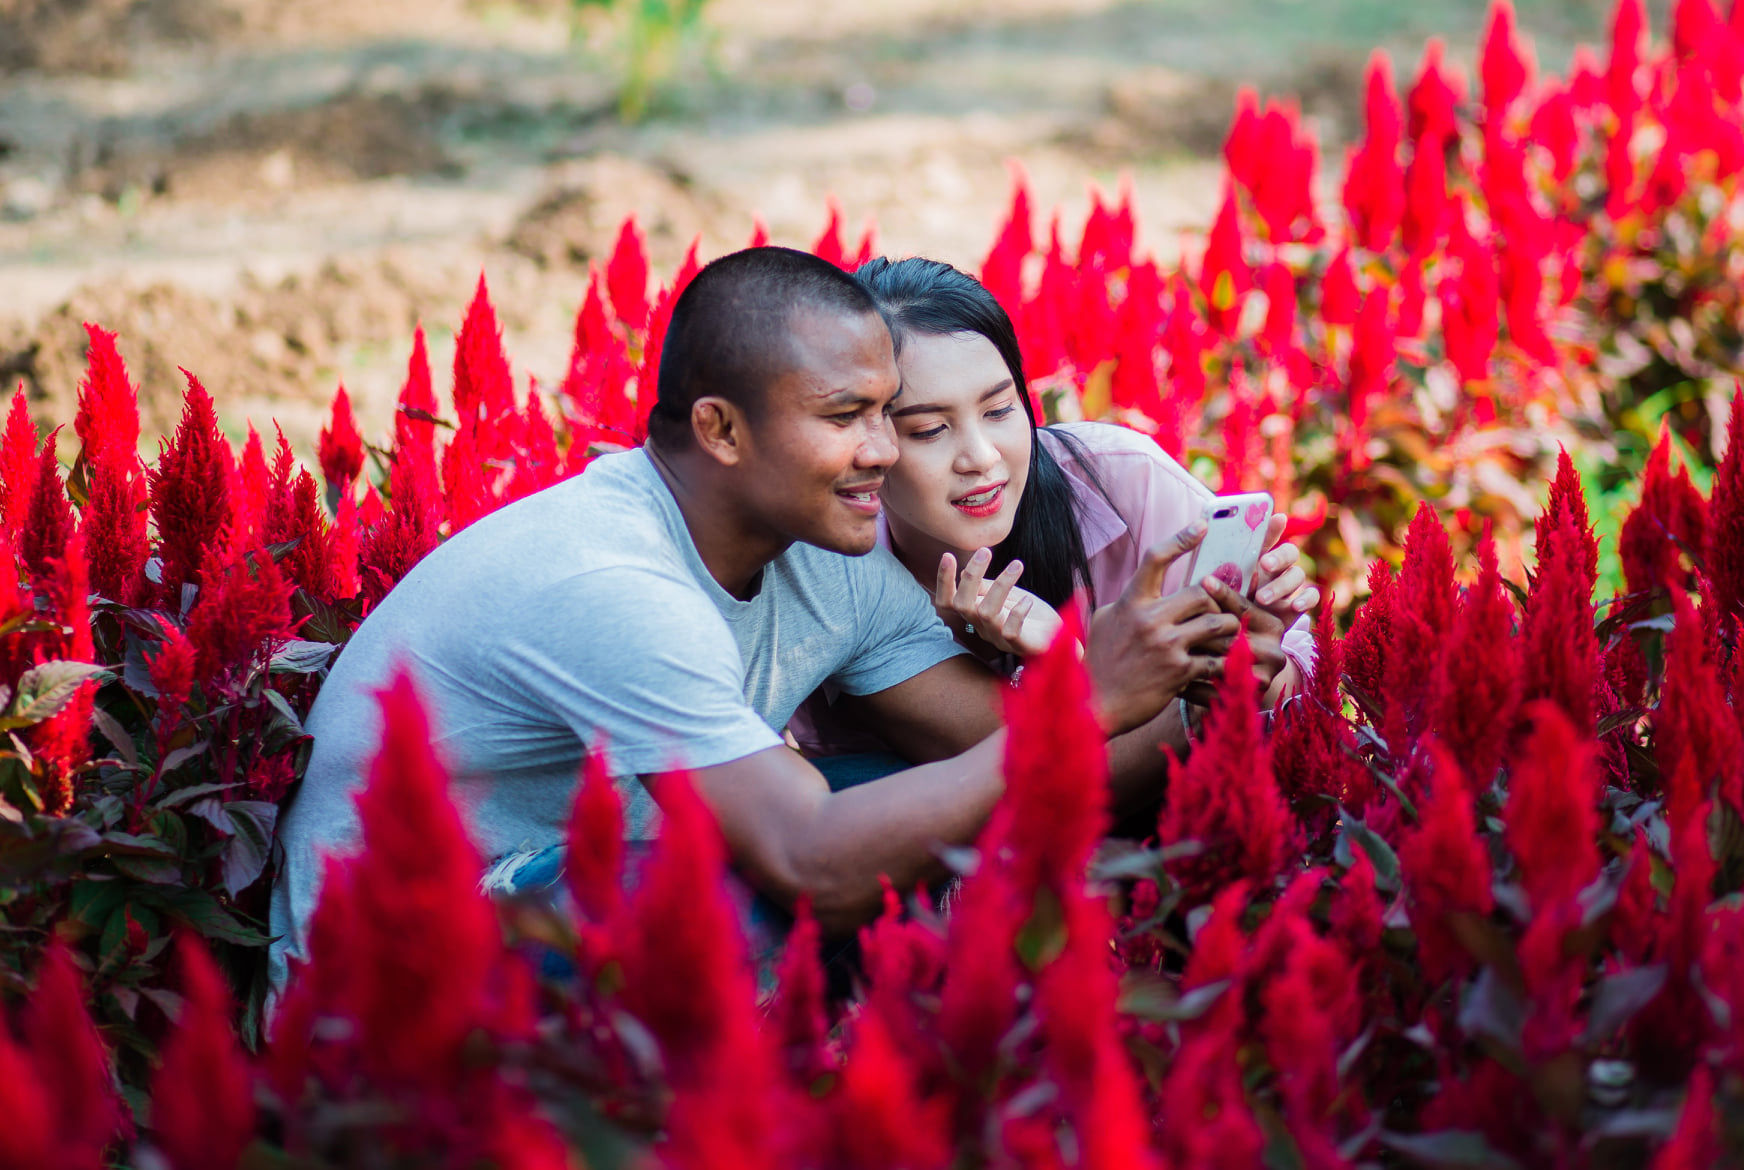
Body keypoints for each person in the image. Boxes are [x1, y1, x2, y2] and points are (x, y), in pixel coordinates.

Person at [268, 246, 1251, 991]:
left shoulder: (835, 556)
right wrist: (1089, 705)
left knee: (922, 798)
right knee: (773, 883)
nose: (880, 453)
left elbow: (1010, 756)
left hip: (586, 893)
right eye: (845, 417)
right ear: (722, 430)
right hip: (395, 976)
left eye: (884, 414)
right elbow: (810, 862)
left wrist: (1207, 672)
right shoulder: (614, 581)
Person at [792, 256, 1319, 761]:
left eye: (1000, 409)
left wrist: (1262, 660)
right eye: (929, 429)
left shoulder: (1120, 479)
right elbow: (1023, 783)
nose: (982, 457)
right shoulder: (834, 567)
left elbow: (1300, 681)